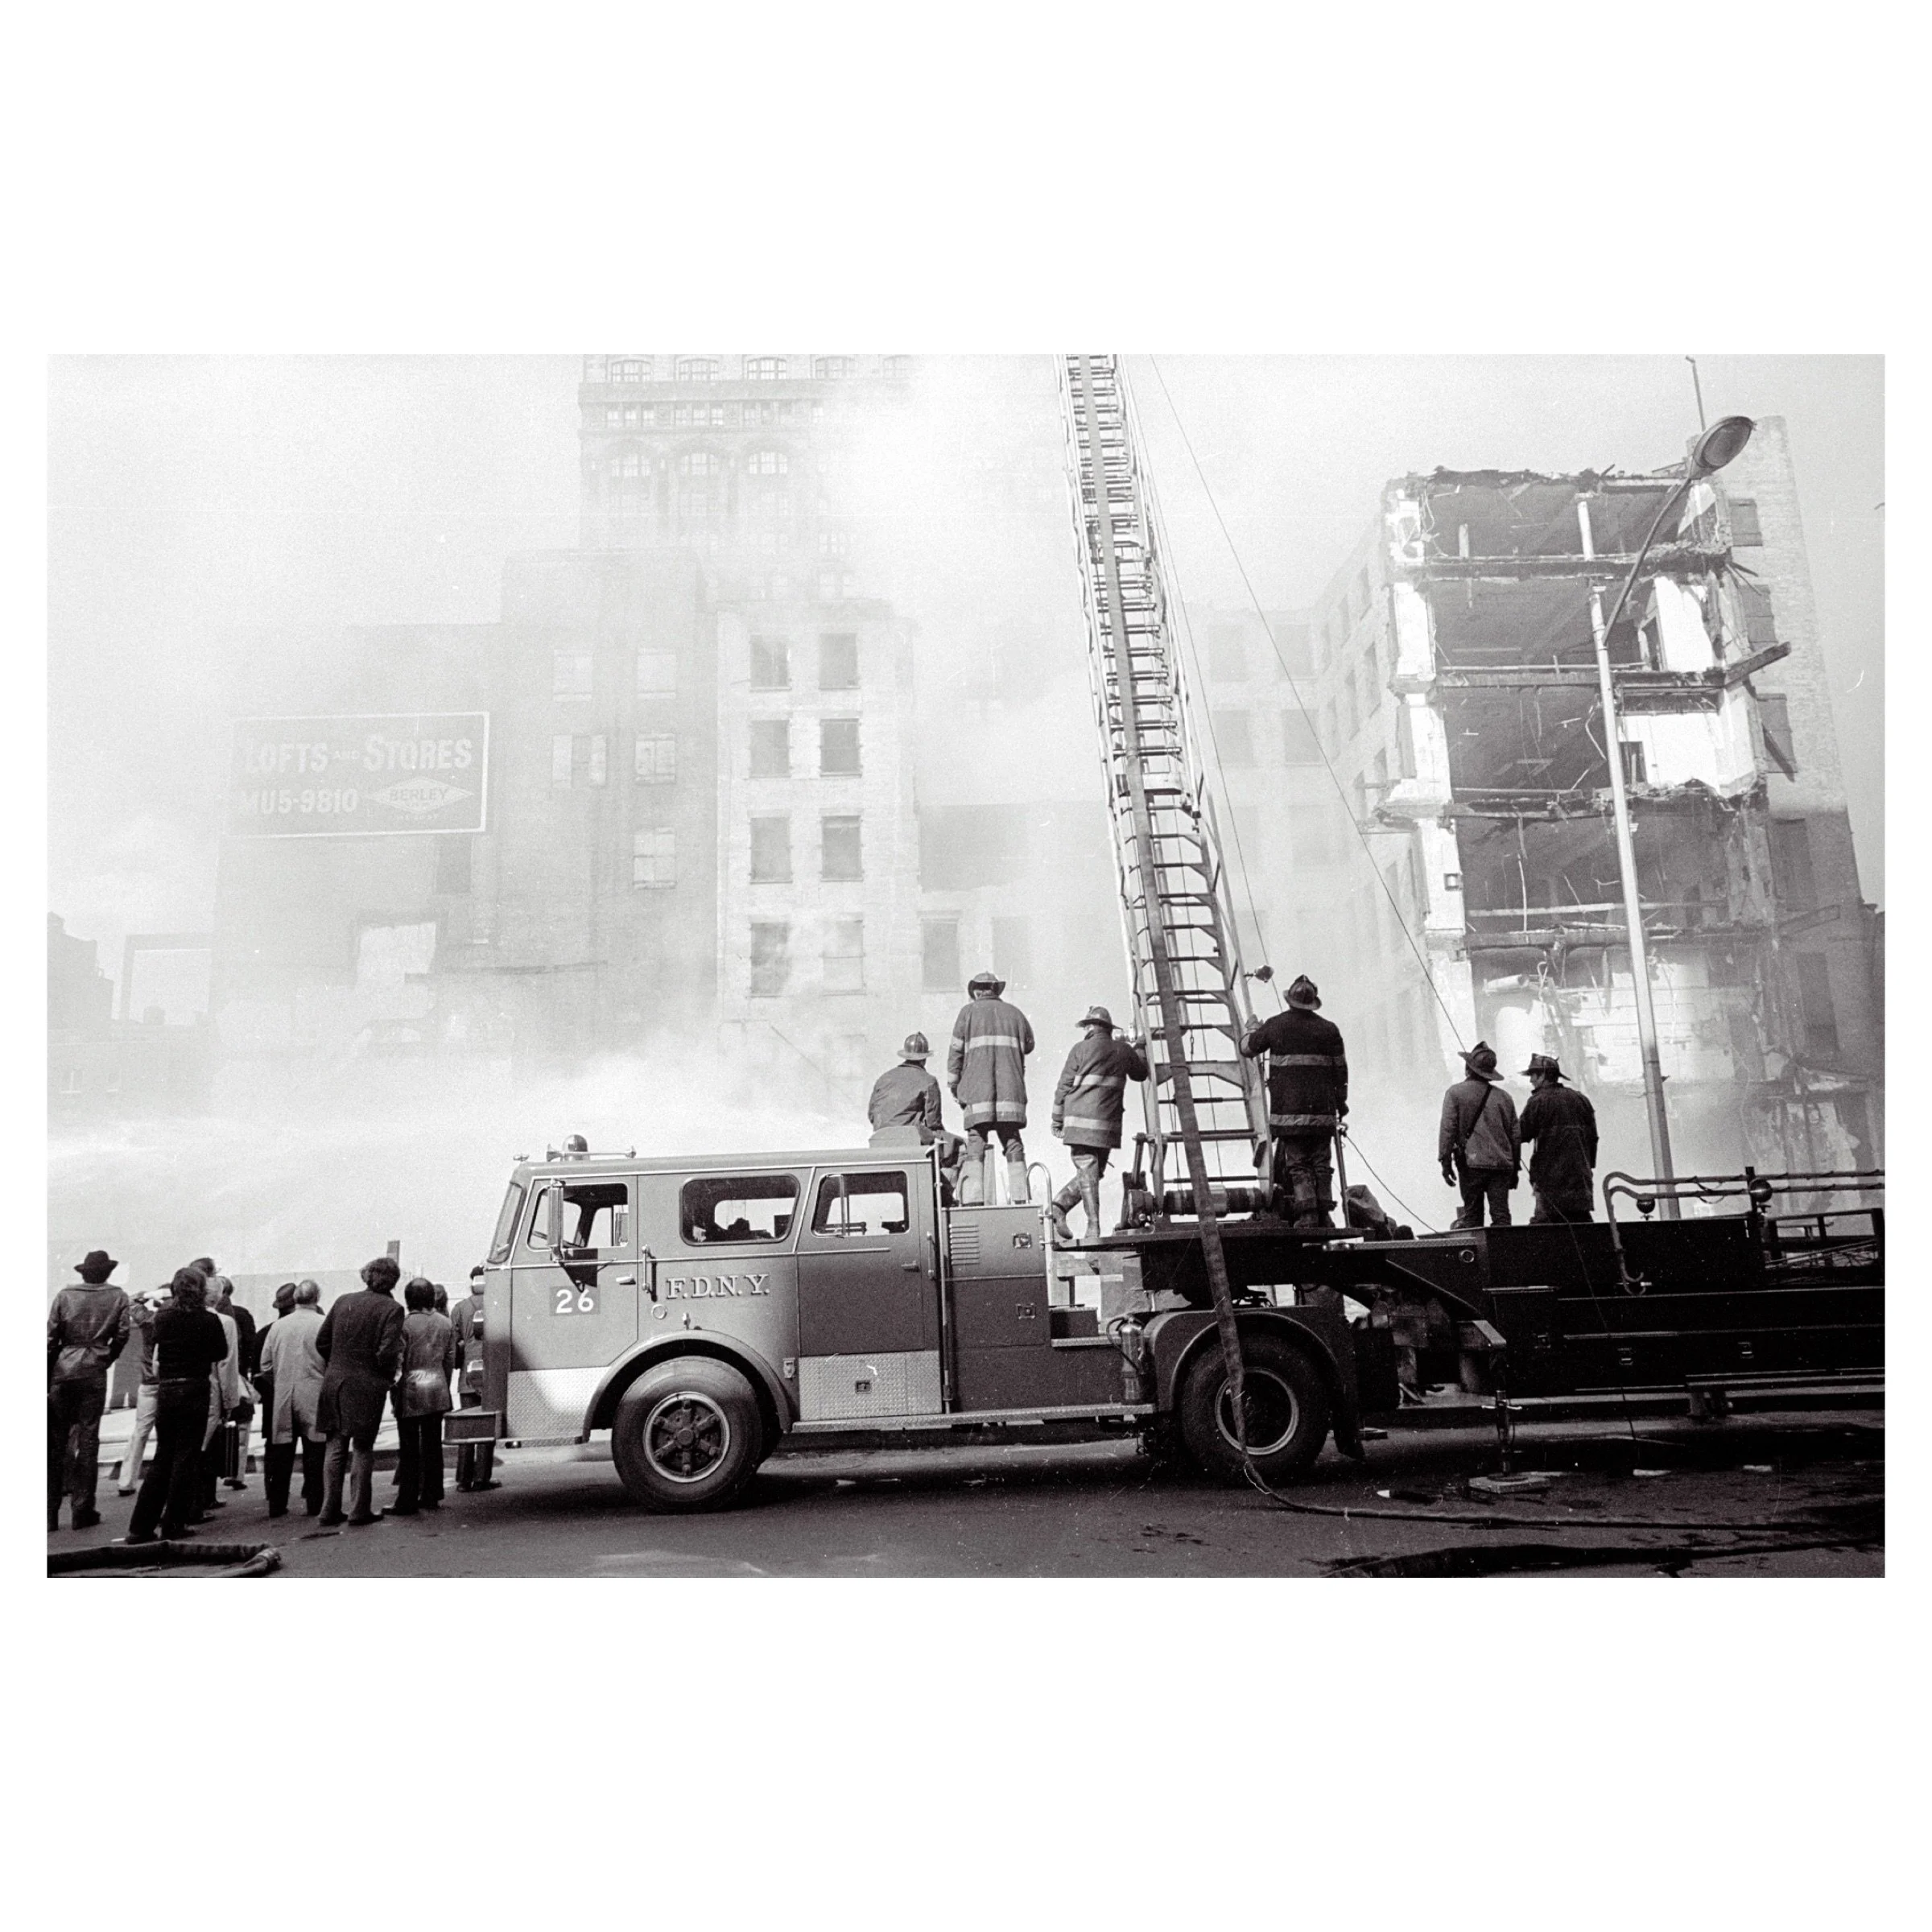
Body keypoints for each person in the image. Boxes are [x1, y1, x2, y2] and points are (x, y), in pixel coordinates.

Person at [122, 1269, 228, 1545]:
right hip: (195, 1387)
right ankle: (174, 1522)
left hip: (168, 1388)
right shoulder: (208, 1319)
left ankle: (141, 1525)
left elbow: (155, 1342)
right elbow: (220, 1353)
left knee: (163, 1456)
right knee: (186, 1458)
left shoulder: (164, 1318)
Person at [1238, 975, 1349, 1228]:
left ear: (1290, 1001)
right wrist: (1341, 1104)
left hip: (1289, 1115)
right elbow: (1341, 1072)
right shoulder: (1329, 1030)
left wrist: (1252, 1029)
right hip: (1323, 1114)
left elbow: (1248, 1048)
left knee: (1298, 1165)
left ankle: (1309, 1216)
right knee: (1322, 1163)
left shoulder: (1276, 1026)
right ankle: (1325, 1216)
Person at [1046, 1006, 1149, 1245]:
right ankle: (1083, 1222)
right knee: (1092, 1172)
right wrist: (1141, 1048)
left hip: (1080, 1124)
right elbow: (1141, 1074)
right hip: (1106, 1128)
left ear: (1091, 1027)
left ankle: (1062, 1209)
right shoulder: (1123, 1050)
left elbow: (1063, 1086)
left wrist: (1056, 1119)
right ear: (1109, 1029)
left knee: (1090, 1173)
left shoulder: (1079, 1049)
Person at [316, 1255, 406, 1527]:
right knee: (363, 1447)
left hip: (335, 1381)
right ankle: (359, 1509)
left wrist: (338, 1363)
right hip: (368, 1385)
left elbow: (322, 1341)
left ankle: (329, 1509)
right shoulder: (392, 1308)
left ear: (366, 1276)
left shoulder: (343, 1301)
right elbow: (388, 1351)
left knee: (335, 1445)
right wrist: (386, 1376)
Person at [47, 1249, 132, 1531]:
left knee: (56, 1444)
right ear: (107, 1273)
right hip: (94, 1370)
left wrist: (48, 1375)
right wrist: (106, 1357)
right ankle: (82, 1509)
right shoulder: (118, 1296)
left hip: (63, 1369)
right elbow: (122, 1335)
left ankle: (49, 1513)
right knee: (88, 1441)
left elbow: (51, 1339)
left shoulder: (64, 1296)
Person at [947, 971, 1035, 1205]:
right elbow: (1029, 1046)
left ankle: (973, 1201)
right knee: (1013, 1142)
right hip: (1010, 1097)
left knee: (975, 1141)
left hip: (977, 1095)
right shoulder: (1016, 1014)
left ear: (977, 991)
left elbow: (955, 1054)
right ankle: (1020, 1199)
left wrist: (955, 1087)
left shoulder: (967, 1014)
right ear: (996, 990)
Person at [257, 1281, 326, 1517]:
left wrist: (281, 1377)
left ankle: (277, 1504)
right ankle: (315, 1503)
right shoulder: (323, 1324)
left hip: (284, 1392)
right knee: (315, 1450)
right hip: (314, 1391)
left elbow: (265, 1364)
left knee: (281, 1451)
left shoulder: (278, 1327)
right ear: (317, 1298)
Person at [868, 1032, 964, 1195]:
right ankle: (944, 1196)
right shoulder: (928, 1080)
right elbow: (933, 1122)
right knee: (961, 1148)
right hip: (911, 1140)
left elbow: (872, 1115)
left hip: (880, 1141)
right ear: (924, 1058)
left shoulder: (883, 1078)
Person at [391, 1278, 458, 1514]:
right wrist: (444, 1382)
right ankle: (432, 1493)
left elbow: (398, 1361)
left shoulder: (404, 1325)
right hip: (437, 1386)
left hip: (411, 1388)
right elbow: (449, 1359)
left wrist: (394, 1388)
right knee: (432, 1445)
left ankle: (407, 1499)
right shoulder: (445, 1323)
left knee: (409, 1447)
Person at [1439, 1040, 1521, 1228]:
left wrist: (1445, 1162)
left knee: (1473, 1217)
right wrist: (1515, 1168)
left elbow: (1448, 1130)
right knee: (1501, 1216)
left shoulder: (1455, 1093)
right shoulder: (1504, 1097)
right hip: (1501, 1165)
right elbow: (1515, 1136)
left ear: (1468, 1067)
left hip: (1471, 1164)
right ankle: (1505, 1255)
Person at [1519, 1053, 1599, 1224]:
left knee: (1546, 1228)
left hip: (1550, 1180)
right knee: (1582, 1227)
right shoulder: (1581, 1099)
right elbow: (1593, 1139)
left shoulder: (1537, 1101)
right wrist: (1588, 1166)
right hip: (1580, 1180)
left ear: (1543, 1076)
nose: (1531, 1080)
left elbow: (1520, 1134)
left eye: (1533, 1075)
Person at [115, 1284, 171, 1495]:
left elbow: (130, 1301)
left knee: (140, 1431)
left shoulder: (149, 1320)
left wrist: (144, 1296)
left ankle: (127, 1480)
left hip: (149, 1381)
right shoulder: (179, 1318)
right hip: (170, 1381)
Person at [198, 1277, 247, 1514]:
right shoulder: (224, 1322)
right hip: (211, 1389)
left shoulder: (174, 1316)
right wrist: (230, 1401)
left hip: (177, 1389)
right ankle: (201, 1500)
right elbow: (227, 1365)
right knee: (205, 1446)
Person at [450, 1267, 499, 1492]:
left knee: (467, 1430)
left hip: (467, 1377)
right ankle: (482, 1478)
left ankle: (463, 1480)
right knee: (487, 1427)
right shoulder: (497, 1303)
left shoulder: (460, 1308)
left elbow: (454, 1345)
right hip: (492, 1372)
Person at [213, 1278, 258, 1489]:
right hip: (237, 1374)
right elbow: (250, 1346)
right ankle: (237, 1473)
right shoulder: (240, 1315)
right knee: (242, 1424)